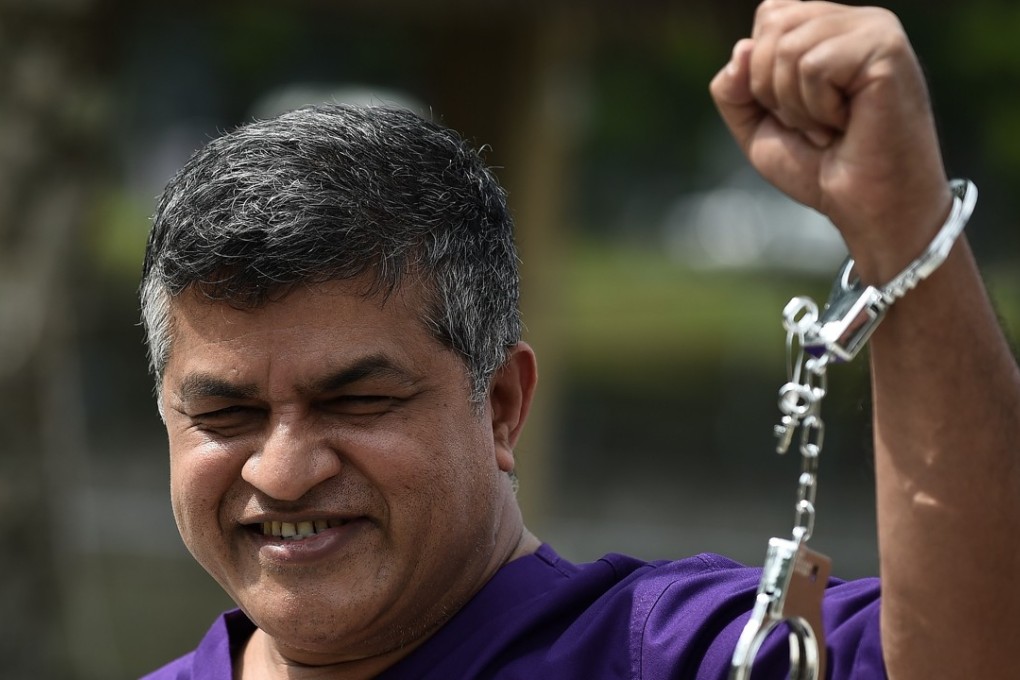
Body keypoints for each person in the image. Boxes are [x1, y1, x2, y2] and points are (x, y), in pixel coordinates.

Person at [139, 1, 1020, 678]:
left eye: (357, 399)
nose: (283, 471)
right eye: (226, 414)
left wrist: (905, 224)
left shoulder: (664, 654)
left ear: (501, 406)